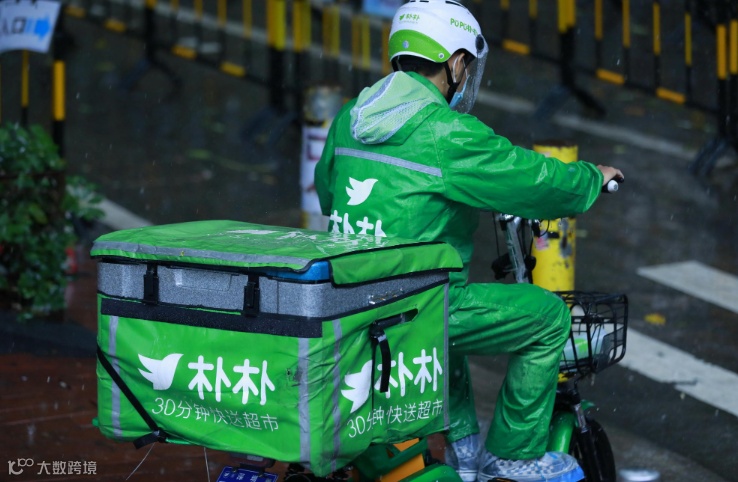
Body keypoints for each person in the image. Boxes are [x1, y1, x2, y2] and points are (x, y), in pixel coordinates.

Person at [314, 1, 623, 481]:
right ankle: (514, 454)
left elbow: (327, 191)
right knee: (545, 316)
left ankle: (462, 448)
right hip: (412, 304)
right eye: (468, 65)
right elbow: (531, 179)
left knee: (443, 321)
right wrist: (590, 178)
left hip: (350, 296)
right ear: (456, 63)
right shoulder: (446, 133)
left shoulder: (352, 116)